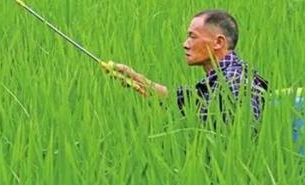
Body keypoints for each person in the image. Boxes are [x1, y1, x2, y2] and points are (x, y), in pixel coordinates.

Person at [103, 10, 268, 121]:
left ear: (218, 42)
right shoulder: (218, 81)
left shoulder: (235, 83)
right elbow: (181, 99)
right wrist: (134, 78)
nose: (185, 44)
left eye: (192, 37)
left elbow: (245, 137)